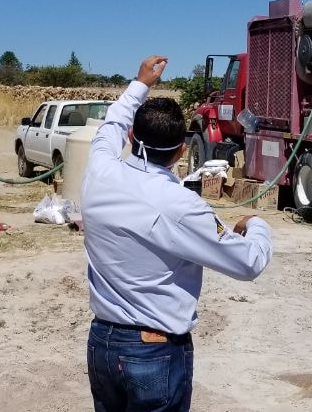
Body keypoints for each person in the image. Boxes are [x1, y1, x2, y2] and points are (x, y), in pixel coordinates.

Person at [82, 55, 273, 412]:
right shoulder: (181, 206)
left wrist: (141, 83)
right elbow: (248, 263)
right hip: (153, 350)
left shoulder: (99, 173)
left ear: (131, 137)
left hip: (102, 343)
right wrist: (257, 226)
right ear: (181, 151)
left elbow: (111, 123)